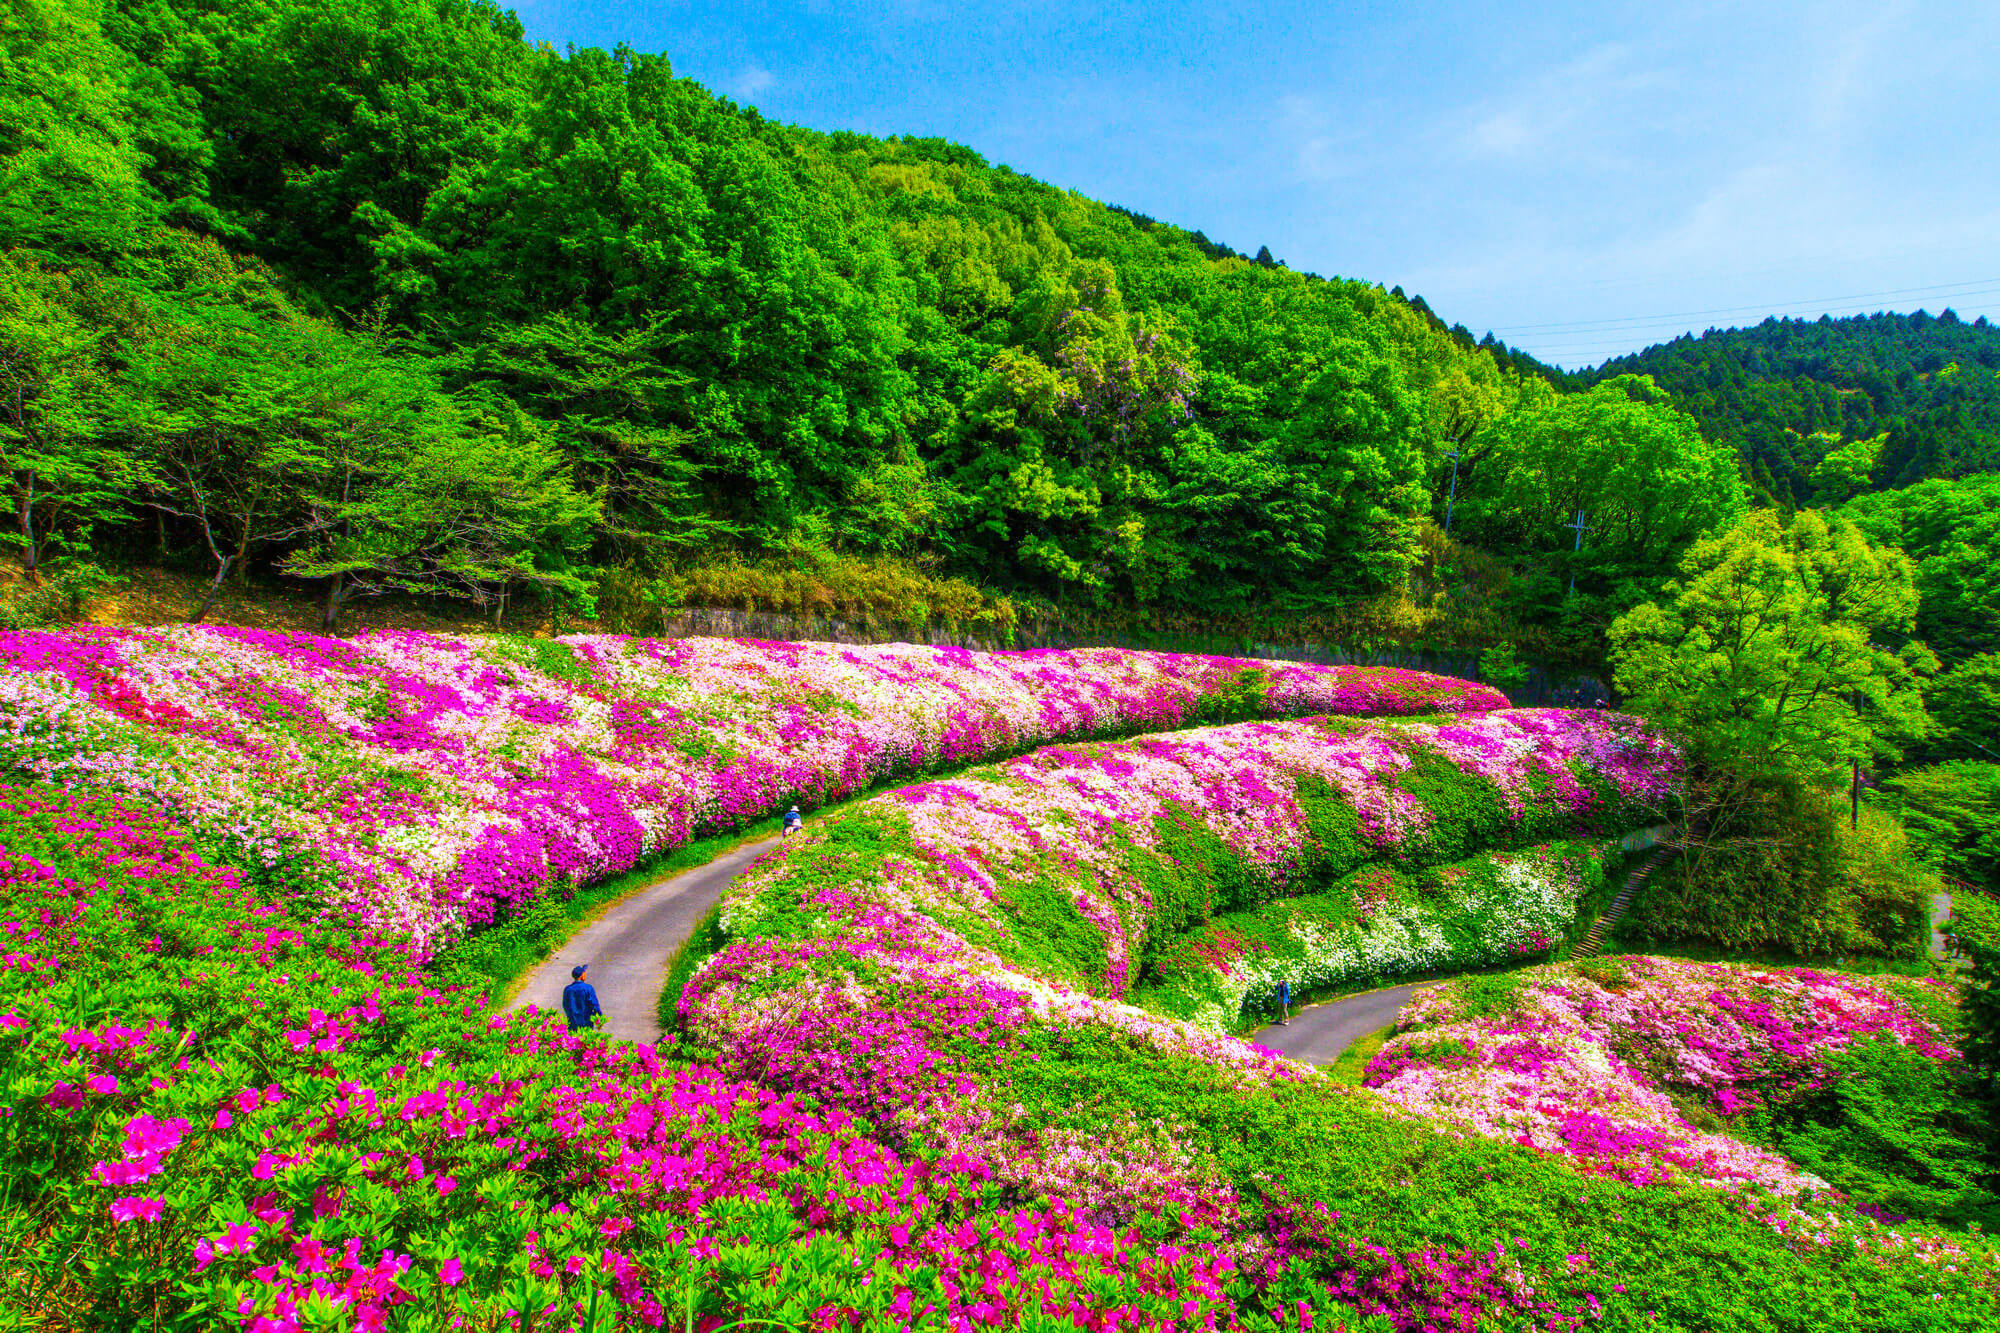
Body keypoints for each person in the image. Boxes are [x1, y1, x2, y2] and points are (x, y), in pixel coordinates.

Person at [562, 964, 603, 1034]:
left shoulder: (567, 989)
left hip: (572, 1023)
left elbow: (565, 1006)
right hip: (586, 1022)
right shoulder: (588, 988)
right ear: (582, 976)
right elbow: (595, 1006)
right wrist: (600, 1020)